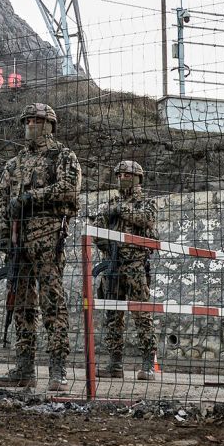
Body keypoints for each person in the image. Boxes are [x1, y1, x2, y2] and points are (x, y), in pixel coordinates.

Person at [0, 103, 82, 391]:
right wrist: (2, 232)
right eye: (27, 120)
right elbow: (0, 200)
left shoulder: (62, 156)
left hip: (48, 239)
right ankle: (25, 367)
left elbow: (69, 188)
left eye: (37, 121)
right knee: (22, 305)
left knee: (52, 302)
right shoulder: (14, 163)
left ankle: (58, 369)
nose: (31, 125)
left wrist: (33, 197)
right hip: (19, 244)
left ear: (50, 125)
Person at [93, 160, 158, 380]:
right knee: (112, 315)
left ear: (138, 178)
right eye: (119, 175)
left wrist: (120, 210)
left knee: (141, 314)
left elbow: (147, 220)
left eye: (127, 175)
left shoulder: (146, 203)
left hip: (136, 266)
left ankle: (148, 363)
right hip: (112, 264)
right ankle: (115, 363)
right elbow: (97, 230)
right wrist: (106, 244)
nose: (122, 179)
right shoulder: (109, 202)